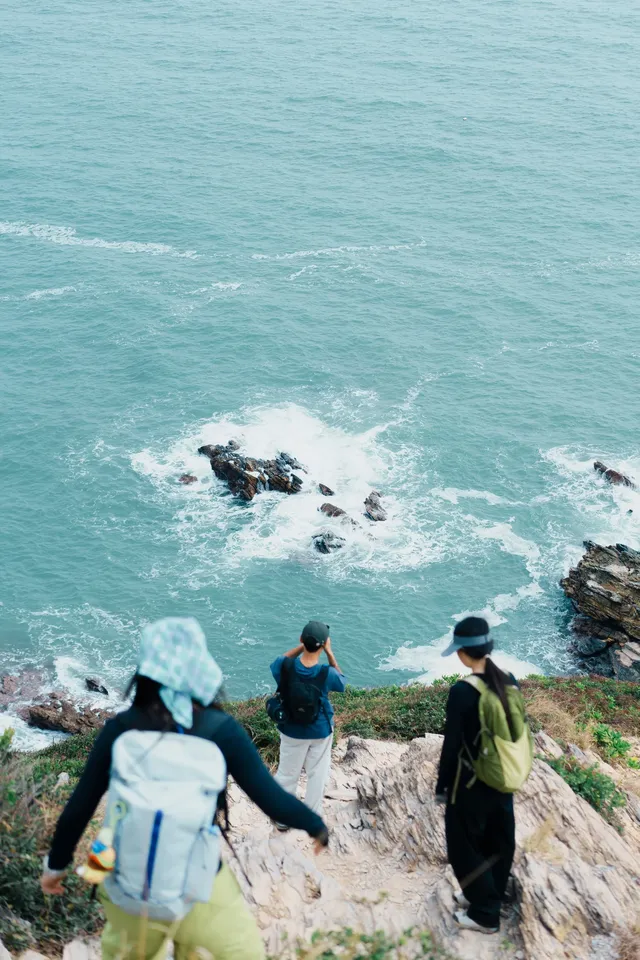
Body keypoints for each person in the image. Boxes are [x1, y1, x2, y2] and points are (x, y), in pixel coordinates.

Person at [41, 618, 328, 960]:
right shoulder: (221, 730)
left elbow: (78, 809)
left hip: (129, 894)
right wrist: (316, 826)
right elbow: (273, 801)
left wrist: (54, 869)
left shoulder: (119, 730)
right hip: (200, 890)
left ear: (145, 672)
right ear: (199, 667)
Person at [436, 616, 523, 936]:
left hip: (470, 783)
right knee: (499, 841)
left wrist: (442, 786)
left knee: (464, 847)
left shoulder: (462, 691)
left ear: (462, 653)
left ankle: (485, 913)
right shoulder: (510, 680)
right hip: (503, 776)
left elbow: (452, 745)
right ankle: (490, 895)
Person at [270, 621, 346, 821]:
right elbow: (342, 682)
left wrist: (302, 647)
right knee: (317, 774)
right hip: (320, 730)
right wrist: (329, 654)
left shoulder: (285, 667)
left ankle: (282, 818)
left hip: (291, 730)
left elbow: (278, 661)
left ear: (301, 640)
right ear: (323, 645)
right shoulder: (325, 673)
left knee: (287, 774)